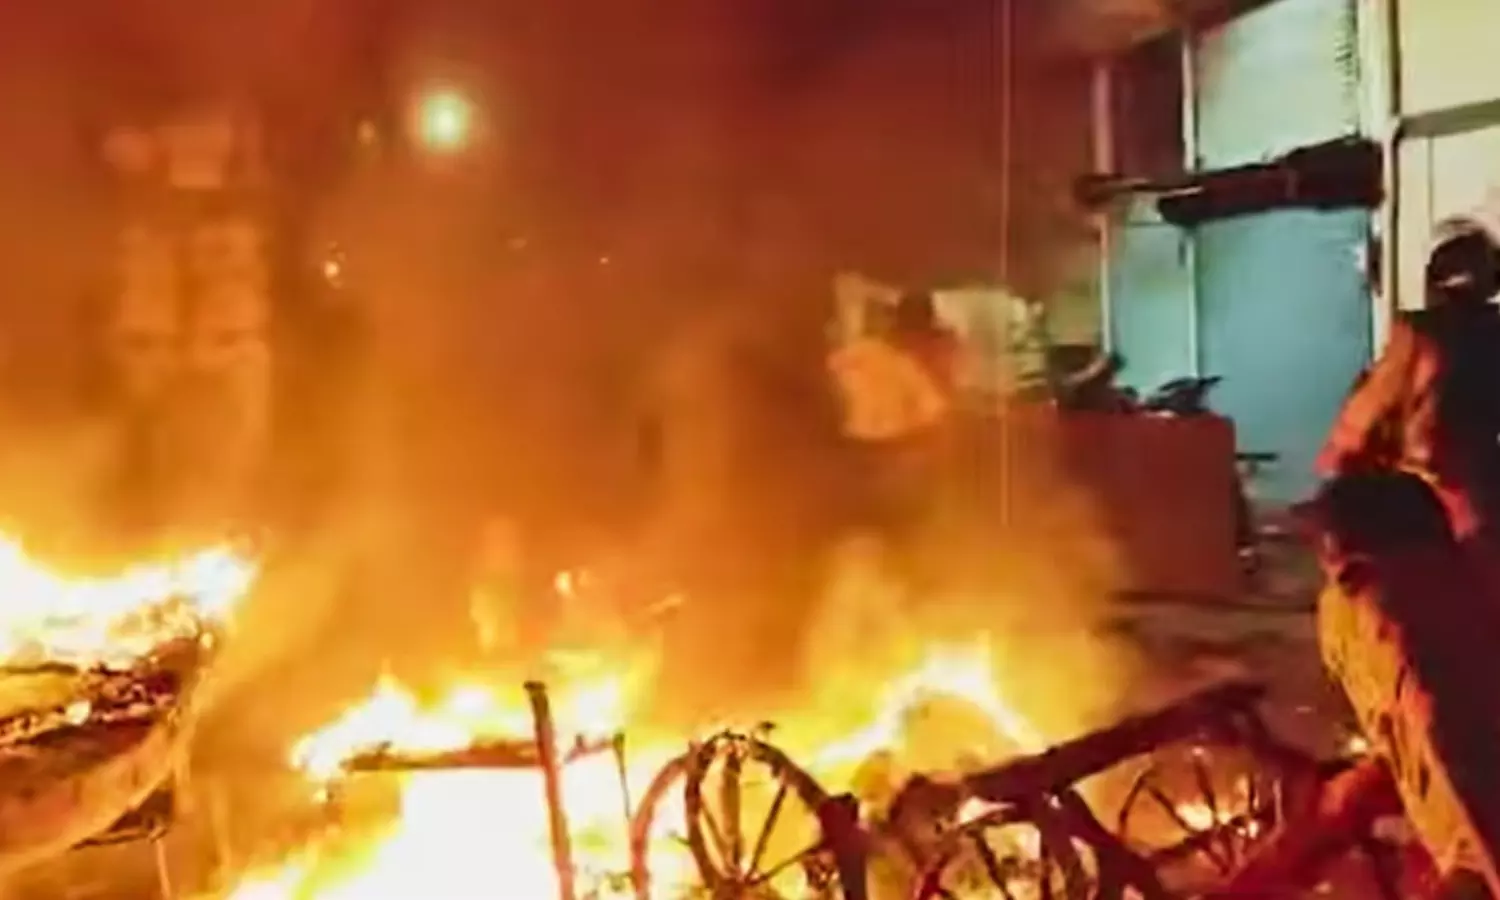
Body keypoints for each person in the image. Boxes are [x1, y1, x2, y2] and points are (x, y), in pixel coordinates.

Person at [1317, 220, 1500, 544]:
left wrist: (1338, 471)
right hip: (1483, 505)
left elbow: (1361, 423)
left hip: (1426, 505)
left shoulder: (1418, 337)